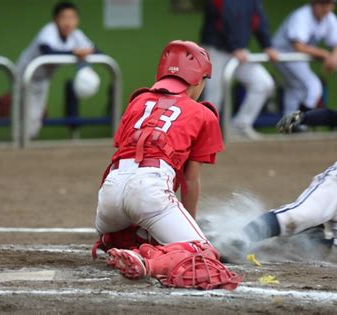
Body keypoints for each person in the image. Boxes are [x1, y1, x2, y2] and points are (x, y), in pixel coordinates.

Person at [93, 40, 242, 290]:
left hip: (108, 199)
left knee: (144, 223)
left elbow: (122, 150)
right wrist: (189, 225)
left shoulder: (138, 100)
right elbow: (191, 181)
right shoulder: (203, 113)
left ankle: (118, 240)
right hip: (149, 190)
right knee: (203, 255)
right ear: (196, 80)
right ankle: (146, 263)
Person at [234, 100, 337, 264]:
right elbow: (335, 117)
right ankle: (237, 239)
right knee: (298, 216)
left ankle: (309, 238)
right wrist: (304, 118)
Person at [17, 1, 99, 139]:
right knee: (26, 118)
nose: (68, 22)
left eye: (72, 18)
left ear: (77, 20)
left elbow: (95, 50)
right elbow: (47, 51)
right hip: (24, 76)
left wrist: (86, 53)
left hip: (42, 79)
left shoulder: (76, 34)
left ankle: (26, 147)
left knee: (36, 119)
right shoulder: (49, 30)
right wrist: (74, 53)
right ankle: (18, 149)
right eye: (64, 17)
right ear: (55, 19)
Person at [200, 0, 278, 139]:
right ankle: (204, 138)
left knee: (263, 83)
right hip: (216, 50)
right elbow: (222, 21)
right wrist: (234, 46)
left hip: (238, 51)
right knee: (213, 97)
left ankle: (240, 126)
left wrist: (267, 45)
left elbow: (258, 20)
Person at [272, 0, 337, 114]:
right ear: (314, 3)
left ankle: (289, 125)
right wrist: (325, 54)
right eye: (323, 4)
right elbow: (298, 46)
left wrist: (334, 57)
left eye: (330, 4)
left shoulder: (329, 18)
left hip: (298, 58)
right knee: (313, 87)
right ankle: (300, 121)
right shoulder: (301, 16)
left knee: (296, 89)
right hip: (284, 54)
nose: (326, 8)